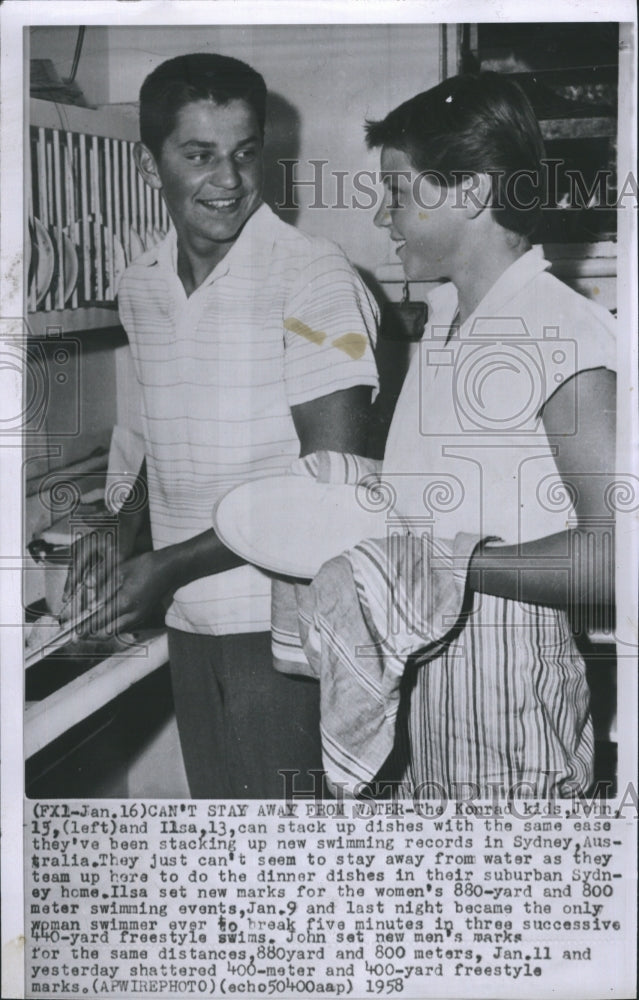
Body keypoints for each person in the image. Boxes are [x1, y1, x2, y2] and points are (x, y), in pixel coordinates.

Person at [64, 53, 379, 798]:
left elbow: (330, 490)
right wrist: (117, 530)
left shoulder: (313, 276)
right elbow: (153, 442)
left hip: (285, 628)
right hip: (190, 624)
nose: (229, 180)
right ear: (152, 165)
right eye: (199, 155)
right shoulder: (139, 283)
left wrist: (168, 562)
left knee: (287, 875)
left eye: (244, 154)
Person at [363, 72, 616, 798]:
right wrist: (353, 482)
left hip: (511, 702)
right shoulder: (443, 321)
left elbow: (615, 557)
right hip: (426, 688)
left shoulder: (559, 333)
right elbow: (448, 499)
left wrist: (448, 566)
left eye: (400, 194)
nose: (386, 217)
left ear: (470, 194)